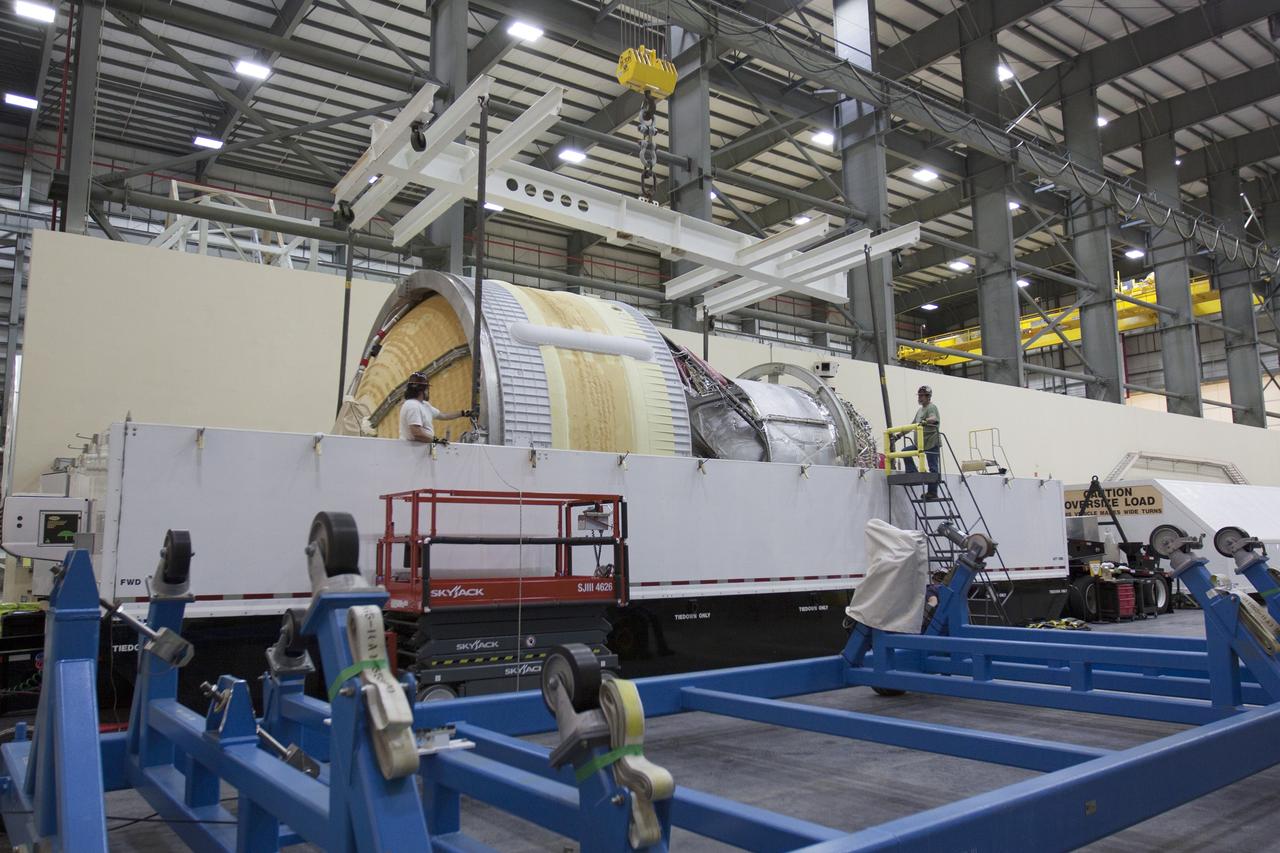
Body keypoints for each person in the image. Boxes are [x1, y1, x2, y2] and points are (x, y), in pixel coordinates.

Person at [399, 372, 472, 443]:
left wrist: (463, 413)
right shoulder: (412, 406)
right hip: (412, 449)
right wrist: (436, 440)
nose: (428, 391)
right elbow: (417, 433)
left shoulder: (424, 405)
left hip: (419, 449)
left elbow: (444, 415)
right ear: (422, 390)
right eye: (427, 388)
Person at [904, 384, 941, 498]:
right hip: (920, 443)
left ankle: (932, 492)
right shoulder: (920, 410)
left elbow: (934, 418)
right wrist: (899, 435)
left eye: (922, 396)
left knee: (933, 467)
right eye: (919, 395)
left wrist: (925, 421)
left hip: (931, 442)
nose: (919, 398)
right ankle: (913, 473)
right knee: (905, 452)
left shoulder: (931, 407)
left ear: (928, 397)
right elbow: (912, 424)